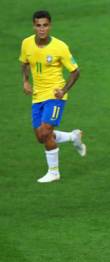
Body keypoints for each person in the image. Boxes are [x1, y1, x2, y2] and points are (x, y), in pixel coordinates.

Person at [20, 10, 85, 183]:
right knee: (41, 137)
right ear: (34, 26)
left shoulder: (60, 47)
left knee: (45, 131)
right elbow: (24, 63)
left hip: (55, 95)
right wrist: (25, 81)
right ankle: (73, 137)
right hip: (37, 95)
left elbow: (75, 71)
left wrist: (63, 90)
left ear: (50, 26)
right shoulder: (26, 43)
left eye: (45, 25)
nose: (42, 29)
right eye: (38, 25)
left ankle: (54, 172)